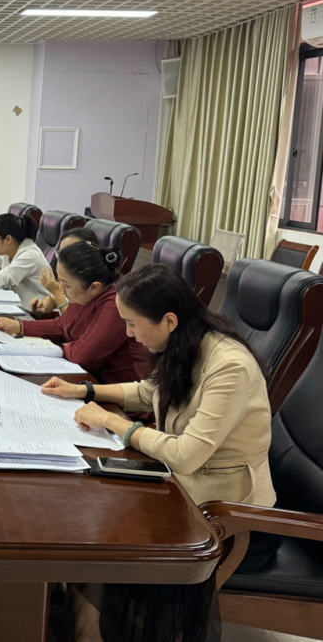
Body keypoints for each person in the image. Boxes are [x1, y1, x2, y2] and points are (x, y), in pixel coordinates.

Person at [42, 263, 274, 641]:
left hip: (227, 511)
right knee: (89, 518)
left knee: (107, 540)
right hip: (185, 488)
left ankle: (93, 630)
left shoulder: (229, 367)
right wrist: (83, 391)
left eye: (132, 324)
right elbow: (147, 391)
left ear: (168, 320)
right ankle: (79, 625)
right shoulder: (186, 343)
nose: (129, 334)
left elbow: (186, 454)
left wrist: (114, 422)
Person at [0, 241, 148, 383]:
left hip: (116, 392)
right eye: (59, 281)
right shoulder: (86, 291)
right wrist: (18, 326)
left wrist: (54, 349)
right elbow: (62, 326)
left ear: (95, 287)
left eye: (66, 285)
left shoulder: (117, 303)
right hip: (88, 378)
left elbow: (83, 355)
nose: (61, 289)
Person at [30, 227, 99, 315]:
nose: (64, 258)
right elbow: (56, 298)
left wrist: (56, 291)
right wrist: (43, 306)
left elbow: (73, 319)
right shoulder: (68, 271)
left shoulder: (91, 282)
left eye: (70, 253)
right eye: (62, 253)